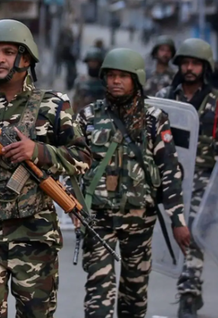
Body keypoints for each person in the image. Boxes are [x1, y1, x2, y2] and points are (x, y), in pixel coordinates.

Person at [0, 19, 92, 317]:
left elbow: (82, 158)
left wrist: (38, 151)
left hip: (35, 236)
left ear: (26, 59)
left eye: (8, 52)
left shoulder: (53, 105)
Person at [75, 48, 190, 318]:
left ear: (136, 79)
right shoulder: (88, 117)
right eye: (111, 75)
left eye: (123, 76)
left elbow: (170, 171)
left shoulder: (154, 118)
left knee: (134, 296)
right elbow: (71, 166)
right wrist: (73, 206)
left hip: (140, 220)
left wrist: (177, 220)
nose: (116, 81)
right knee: (98, 296)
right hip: (98, 219)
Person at [156, 38, 217, 318]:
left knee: (191, 228)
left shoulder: (215, 101)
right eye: (185, 63)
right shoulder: (166, 97)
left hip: (205, 179)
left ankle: (189, 294)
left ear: (206, 67)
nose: (190, 68)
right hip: (170, 176)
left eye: (195, 63)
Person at [72, 46, 106, 113]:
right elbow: (75, 102)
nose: (92, 64)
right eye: (90, 62)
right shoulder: (81, 81)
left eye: (95, 62)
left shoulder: (106, 82)